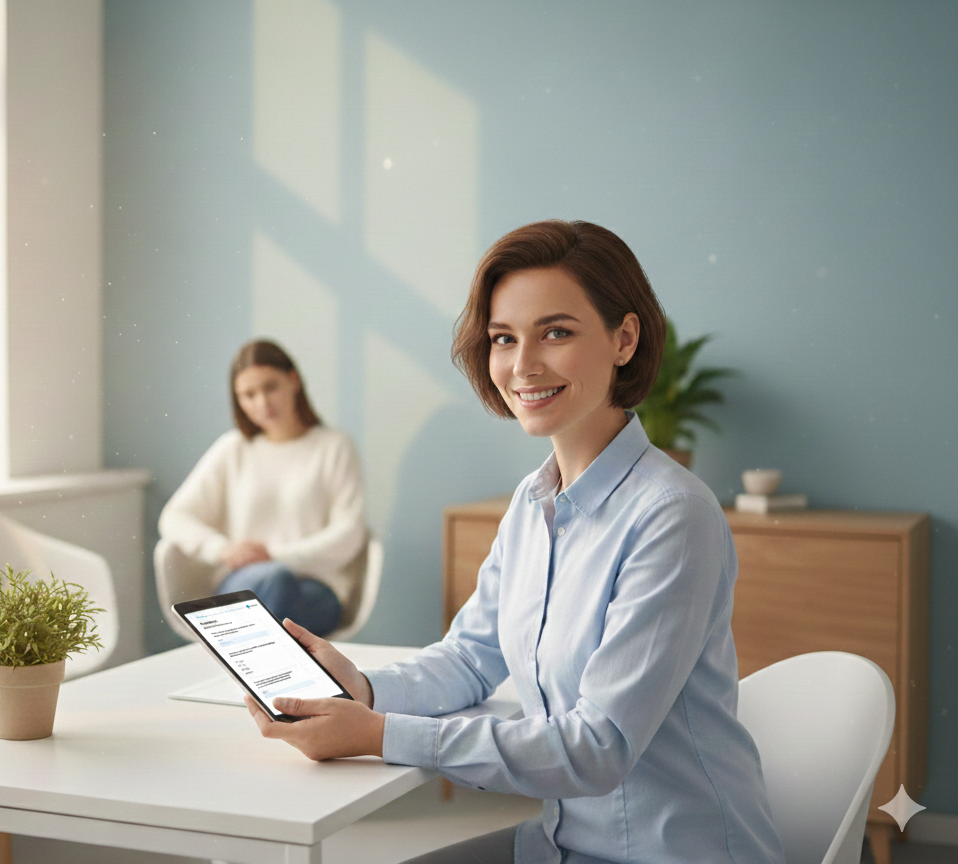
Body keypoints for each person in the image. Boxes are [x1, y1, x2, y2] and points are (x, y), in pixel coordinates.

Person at [243, 221, 786, 864]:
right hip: (556, 843)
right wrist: (362, 689)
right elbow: (471, 658)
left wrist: (381, 734)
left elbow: (596, 748)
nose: (522, 365)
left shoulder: (674, 516)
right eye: (504, 338)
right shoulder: (533, 503)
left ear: (624, 339)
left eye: (556, 332)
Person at [158, 339, 366, 637]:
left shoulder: (334, 447)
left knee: (276, 583)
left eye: (270, 387)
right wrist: (222, 549)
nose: (262, 403)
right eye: (248, 395)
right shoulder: (233, 449)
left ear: (293, 381)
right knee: (271, 586)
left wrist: (275, 555)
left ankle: (244, 668)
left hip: (315, 592)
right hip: (246, 583)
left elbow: (349, 534)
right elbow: (175, 517)